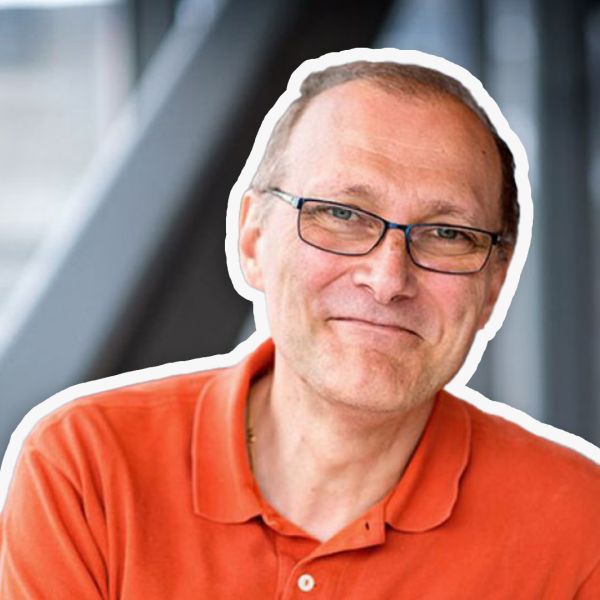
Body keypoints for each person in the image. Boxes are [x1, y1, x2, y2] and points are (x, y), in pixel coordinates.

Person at [1, 52, 599, 599]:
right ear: (254, 239)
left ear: (494, 286)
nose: (388, 279)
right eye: (341, 214)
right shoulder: (87, 467)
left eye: (448, 234)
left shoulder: (580, 524)